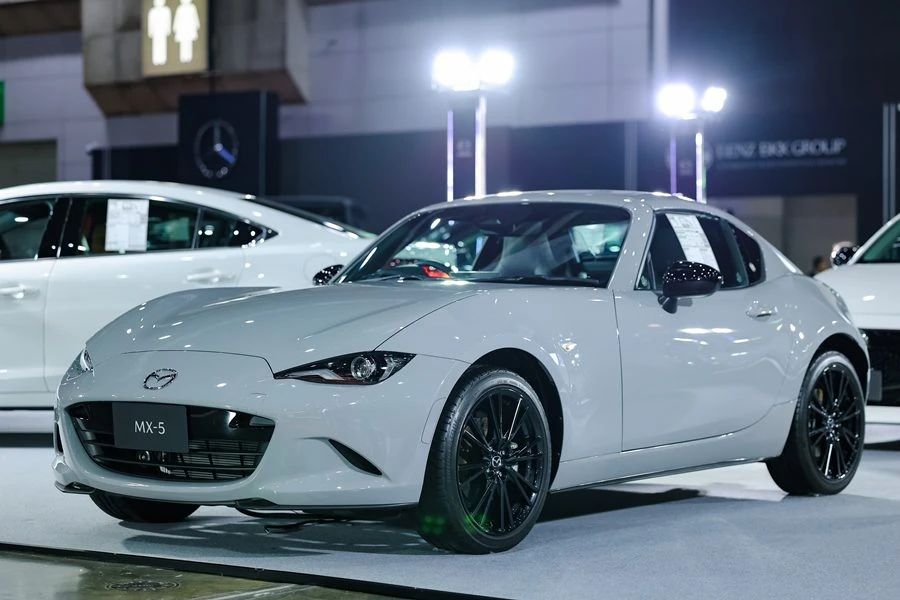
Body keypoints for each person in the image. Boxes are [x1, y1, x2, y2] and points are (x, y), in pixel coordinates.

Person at [147, 0, 172, 66]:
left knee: (162, 45)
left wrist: (168, 30)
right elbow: (150, 23)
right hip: (156, 32)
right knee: (156, 46)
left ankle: (163, 60)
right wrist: (150, 31)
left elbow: (168, 21)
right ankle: (156, 60)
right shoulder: (152, 11)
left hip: (163, 32)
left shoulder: (166, 10)